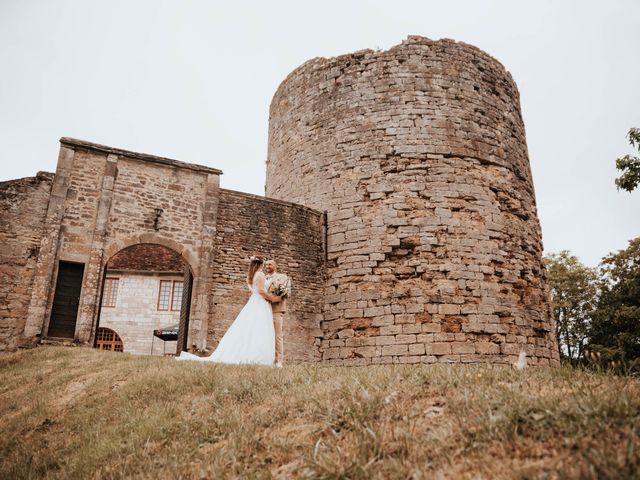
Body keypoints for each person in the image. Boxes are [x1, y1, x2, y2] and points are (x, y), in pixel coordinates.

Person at [176, 256, 281, 365]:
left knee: (250, 328)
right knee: (259, 328)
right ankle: (256, 356)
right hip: (260, 303)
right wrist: (272, 298)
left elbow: (254, 290)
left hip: (254, 302)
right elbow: (261, 291)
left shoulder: (250, 275)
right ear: (261, 264)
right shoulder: (260, 274)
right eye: (264, 264)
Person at [264, 259, 288, 368]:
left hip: (276, 309)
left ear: (275, 266)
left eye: (270, 264)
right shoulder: (262, 278)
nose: (267, 266)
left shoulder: (282, 277)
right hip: (263, 309)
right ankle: (266, 358)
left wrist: (274, 299)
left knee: (277, 335)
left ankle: (278, 361)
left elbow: (287, 293)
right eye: (266, 264)